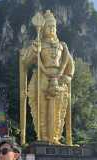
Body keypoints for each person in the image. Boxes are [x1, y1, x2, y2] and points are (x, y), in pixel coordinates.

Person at [20, 10, 75, 145]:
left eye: (53, 26)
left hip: (59, 78)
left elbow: (70, 63)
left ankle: (55, 137)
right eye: (48, 26)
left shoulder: (62, 46)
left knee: (58, 109)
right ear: (43, 28)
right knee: (42, 109)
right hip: (42, 77)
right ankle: (43, 137)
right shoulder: (38, 44)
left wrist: (68, 76)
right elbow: (25, 62)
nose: (51, 28)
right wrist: (34, 50)